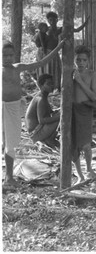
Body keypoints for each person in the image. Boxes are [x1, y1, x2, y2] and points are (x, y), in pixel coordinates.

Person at [2, 39, 65, 187]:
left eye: (11, 55)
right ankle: (8, 177)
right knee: (6, 142)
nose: (8, 58)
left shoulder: (17, 67)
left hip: (14, 108)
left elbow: (41, 63)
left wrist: (58, 47)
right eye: (4, 55)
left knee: (10, 143)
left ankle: (8, 177)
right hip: (3, 107)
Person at [71, 45, 96, 184]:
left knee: (86, 144)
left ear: (88, 61)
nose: (81, 63)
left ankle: (89, 169)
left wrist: (80, 82)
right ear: (74, 60)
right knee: (73, 144)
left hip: (85, 111)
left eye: (84, 60)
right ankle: (79, 175)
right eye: (78, 60)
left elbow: (94, 97)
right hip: (72, 112)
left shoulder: (92, 75)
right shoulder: (70, 73)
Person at [45, 11, 90, 91]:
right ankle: (47, 89)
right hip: (46, 54)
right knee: (47, 71)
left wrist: (86, 22)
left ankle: (56, 87)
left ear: (57, 20)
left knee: (56, 71)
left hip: (54, 53)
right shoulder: (45, 30)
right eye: (50, 20)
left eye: (53, 20)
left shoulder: (61, 29)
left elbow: (77, 30)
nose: (51, 22)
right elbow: (36, 39)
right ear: (47, 21)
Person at [25, 74, 61, 149]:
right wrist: (59, 116)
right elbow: (42, 120)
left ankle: (48, 139)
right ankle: (49, 140)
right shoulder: (41, 99)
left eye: (52, 83)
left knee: (60, 114)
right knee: (62, 118)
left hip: (38, 130)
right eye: (48, 84)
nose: (51, 86)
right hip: (35, 134)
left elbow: (50, 112)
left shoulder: (43, 96)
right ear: (41, 86)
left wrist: (59, 111)